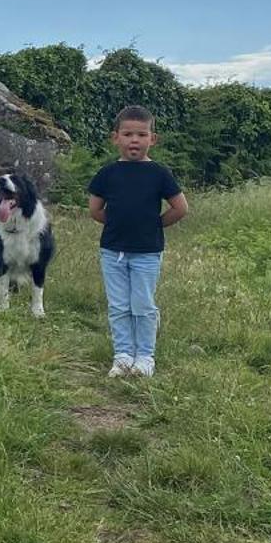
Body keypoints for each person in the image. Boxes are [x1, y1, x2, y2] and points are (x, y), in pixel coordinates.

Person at [87, 105, 189, 378]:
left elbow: (180, 208)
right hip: (112, 252)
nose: (135, 140)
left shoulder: (160, 173)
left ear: (152, 139)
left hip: (147, 252)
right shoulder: (107, 174)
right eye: (128, 134)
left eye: (142, 135)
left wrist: (154, 225)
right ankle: (122, 355)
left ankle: (145, 357)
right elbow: (95, 209)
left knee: (142, 304)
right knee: (119, 305)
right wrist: (119, 224)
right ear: (115, 137)